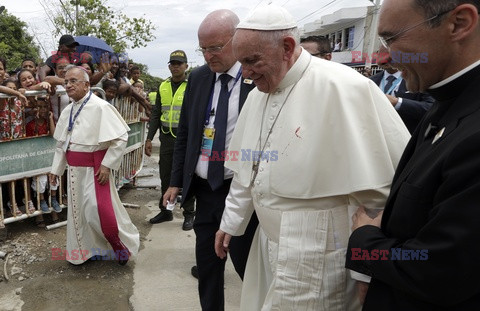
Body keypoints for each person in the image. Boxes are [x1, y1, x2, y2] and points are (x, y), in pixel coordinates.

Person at [213, 5, 410, 310]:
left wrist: (366, 270)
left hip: (318, 250)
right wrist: (230, 222)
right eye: (241, 63)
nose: (246, 74)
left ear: (287, 48)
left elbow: (377, 197)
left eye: (252, 61)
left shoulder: (346, 87)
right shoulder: (257, 94)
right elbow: (246, 171)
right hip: (267, 243)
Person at [346, 0, 480, 309]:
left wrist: (364, 240)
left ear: (459, 23)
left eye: (392, 38)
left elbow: (434, 267)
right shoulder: (445, 103)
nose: (387, 57)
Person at [163, 9, 259, 310]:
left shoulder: (255, 78)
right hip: (205, 189)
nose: (208, 55)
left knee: (248, 266)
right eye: (202, 48)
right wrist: (176, 181)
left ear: (237, 40)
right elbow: (187, 134)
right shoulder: (199, 78)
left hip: (242, 190)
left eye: (215, 47)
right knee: (207, 264)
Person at [49, 66, 139, 265]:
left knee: (96, 210)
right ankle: (85, 253)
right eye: (66, 82)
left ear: (87, 84)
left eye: (73, 81)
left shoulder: (101, 106)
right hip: (74, 170)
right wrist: (56, 169)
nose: (68, 85)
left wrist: (107, 165)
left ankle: (120, 245)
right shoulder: (68, 110)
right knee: (78, 214)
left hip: (94, 168)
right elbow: (61, 144)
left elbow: (120, 137)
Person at [145, 50, 196, 230]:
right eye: (173, 63)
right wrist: (149, 138)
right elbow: (156, 114)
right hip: (166, 138)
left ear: (186, 66)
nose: (175, 66)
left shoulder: (192, 85)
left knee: (187, 175)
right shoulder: (163, 86)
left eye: (179, 63)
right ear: (169, 66)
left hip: (187, 139)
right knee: (166, 175)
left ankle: (189, 214)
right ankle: (166, 211)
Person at [370, 45, 434, 133]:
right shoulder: (370, 81)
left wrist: (397, 102)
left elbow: (430, 107)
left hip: (405, 136)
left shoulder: (419, 78)